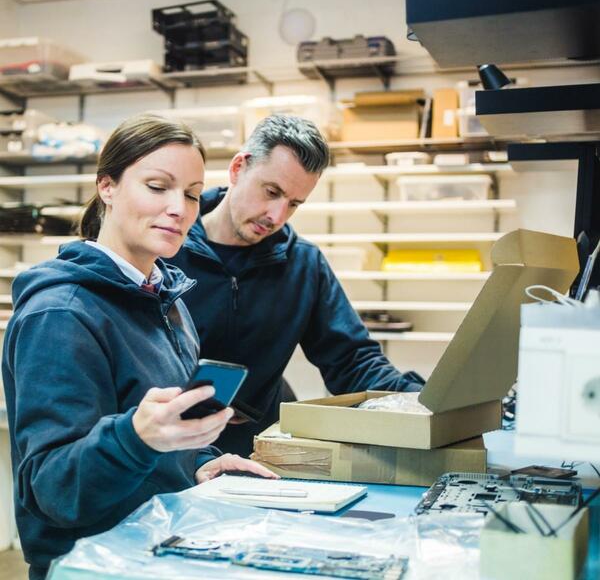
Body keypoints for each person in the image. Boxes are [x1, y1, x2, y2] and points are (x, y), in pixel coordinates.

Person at [1, 114, 276, 580]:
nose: (179, 208)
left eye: (191, 193)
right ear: (107, 187)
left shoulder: (164, 299)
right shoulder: (62, 313)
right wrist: (136, 437)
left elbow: (157, 444)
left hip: (157, 547)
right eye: (157, 186)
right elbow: (53, 489)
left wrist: (201, 463)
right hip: (89, 565)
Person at [168, 114, 425, 457]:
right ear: (237, 169)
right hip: (166, 448)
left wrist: (424, 400)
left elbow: (352, 361)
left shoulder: (303, 264)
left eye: (293, 204)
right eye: (271, 192)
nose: (276, 216)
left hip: (258, 452)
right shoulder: (166, 249)